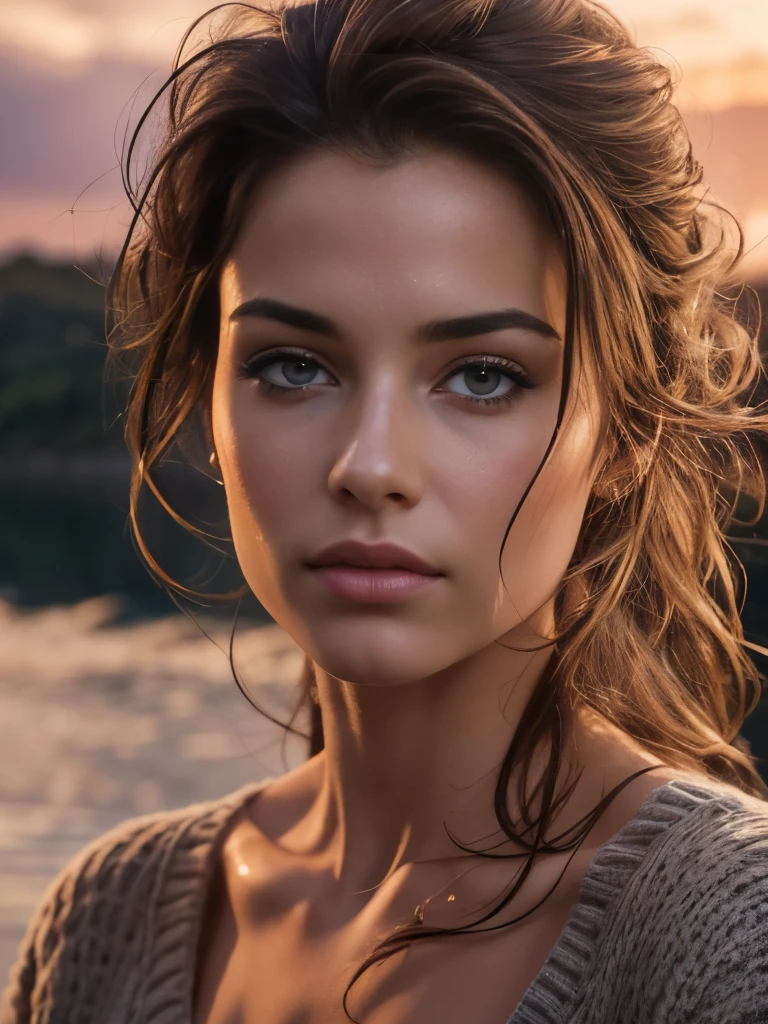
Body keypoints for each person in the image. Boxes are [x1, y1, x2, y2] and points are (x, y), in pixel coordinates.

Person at [4, 0, 768, 1021]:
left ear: (625, 429)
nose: (370, 465)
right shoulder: (106, 922)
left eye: (485, 377)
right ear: (204, 395)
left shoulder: (729, 940)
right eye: (294, 365)